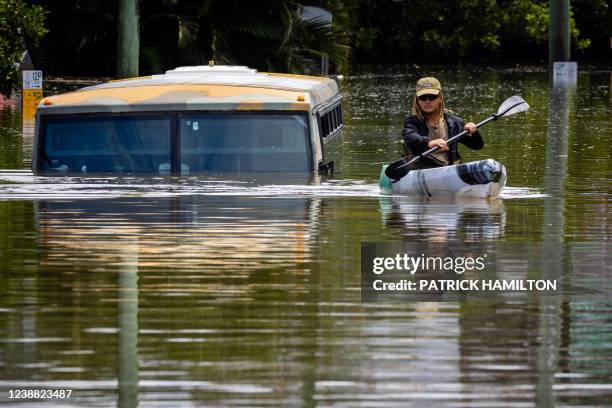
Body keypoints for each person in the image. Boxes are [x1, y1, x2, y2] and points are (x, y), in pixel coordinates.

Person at [402, 77, 483, 168]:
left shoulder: (454, 122)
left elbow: (477, 145)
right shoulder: (411, 122)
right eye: (423, 98)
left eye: (432, 97)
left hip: (451, 169)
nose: (427, 101)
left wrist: (474, 132)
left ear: (440, 98)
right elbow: (410, 137)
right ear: (418, 101)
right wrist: (428, 143)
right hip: (424, 169)